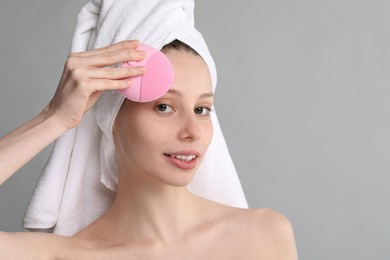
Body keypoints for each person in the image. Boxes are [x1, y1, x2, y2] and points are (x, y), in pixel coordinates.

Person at [0, 1, 298, 259]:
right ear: (111, 117)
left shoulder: (263, 236)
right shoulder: (66, 255)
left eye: (201, 109)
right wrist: (54, 117)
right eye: (164, 107)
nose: (193, 131)